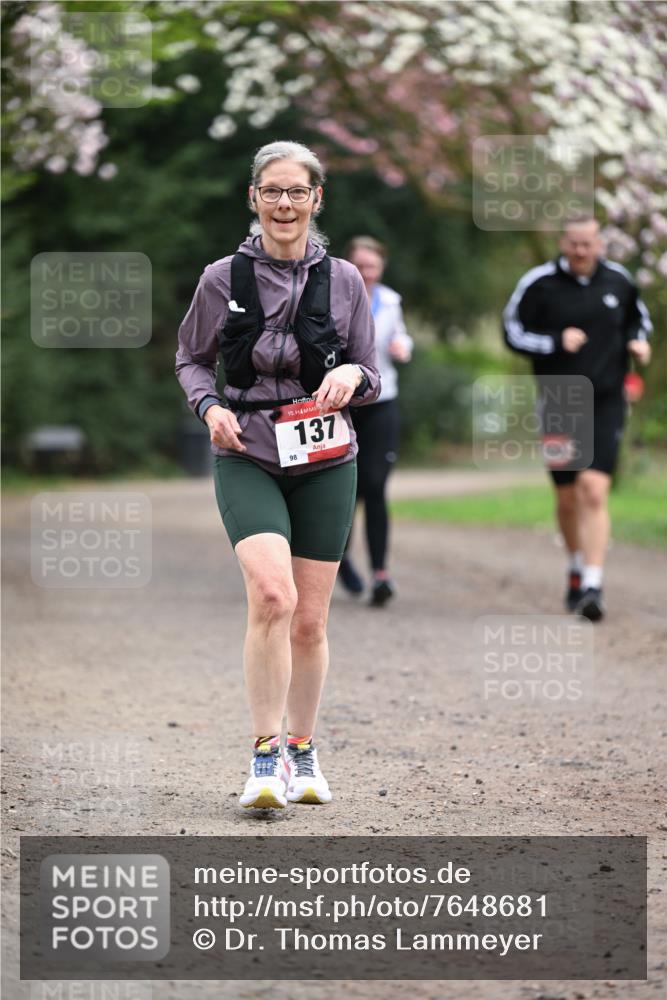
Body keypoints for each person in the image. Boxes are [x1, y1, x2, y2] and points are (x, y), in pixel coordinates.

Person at [175, 141, 380, 808]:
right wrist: (208, 407)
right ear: (253, 198)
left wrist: (350, 373)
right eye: (272, 191)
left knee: (310, 623)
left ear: (316, 199)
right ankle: (265, 759)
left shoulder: (345, 280)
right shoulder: (221, 278)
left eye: (297, 192)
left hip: (324, 459)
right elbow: (191, 359)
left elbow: (368, 371)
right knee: (271, 595)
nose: (284, 204)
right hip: (248, 450)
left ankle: (302, 750)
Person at [503, 216, 652, 621]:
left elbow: (639, 319)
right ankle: (574, 565)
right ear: (563, 243)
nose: (582, 252)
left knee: (594, 489)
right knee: (567, 497)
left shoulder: (619, 281)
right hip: (559, 400)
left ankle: (592, 583)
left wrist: (639, 343)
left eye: (588, 244)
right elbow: (511, 331)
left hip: (607, 398)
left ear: (600, 243)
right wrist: (554, 341)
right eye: (574, 244)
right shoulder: (539, 282)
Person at [337, 236, 413, 607]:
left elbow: (400, 335)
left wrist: (403, 346)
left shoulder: (392, 300)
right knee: (345, 487)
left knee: (376, 485)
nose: (366, 274)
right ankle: (340, 561)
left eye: (373, 267)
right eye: (360, 266)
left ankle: (381, 573)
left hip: (382, 400)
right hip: (341, 404)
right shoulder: (335, 296)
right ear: (349, 266)